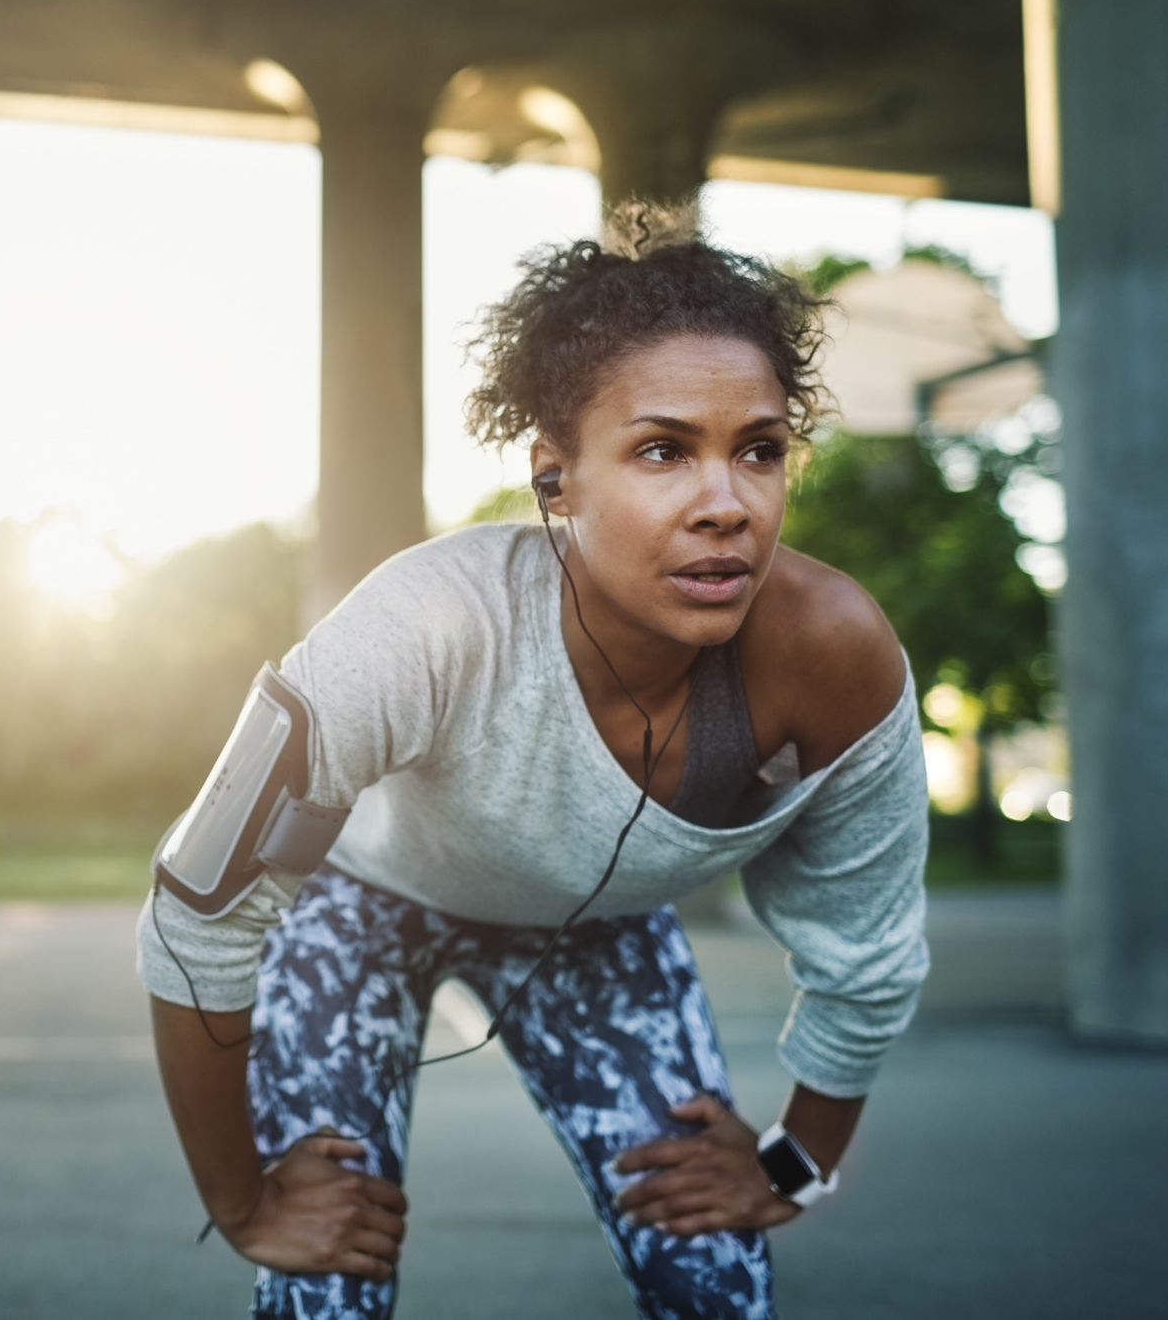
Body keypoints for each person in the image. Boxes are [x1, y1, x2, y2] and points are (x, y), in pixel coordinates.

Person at [136, 196, 932, 1320]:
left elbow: (868, 948)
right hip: (363, 908)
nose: (724, 504)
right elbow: (199, 903)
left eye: (756, 451)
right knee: (324, 1286)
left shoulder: (831, 654)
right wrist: (241, 1201)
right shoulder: (423, 626)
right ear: (556, 479)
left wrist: (793, 1160)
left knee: (714, 1277)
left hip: (593, 936)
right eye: (662, 450)